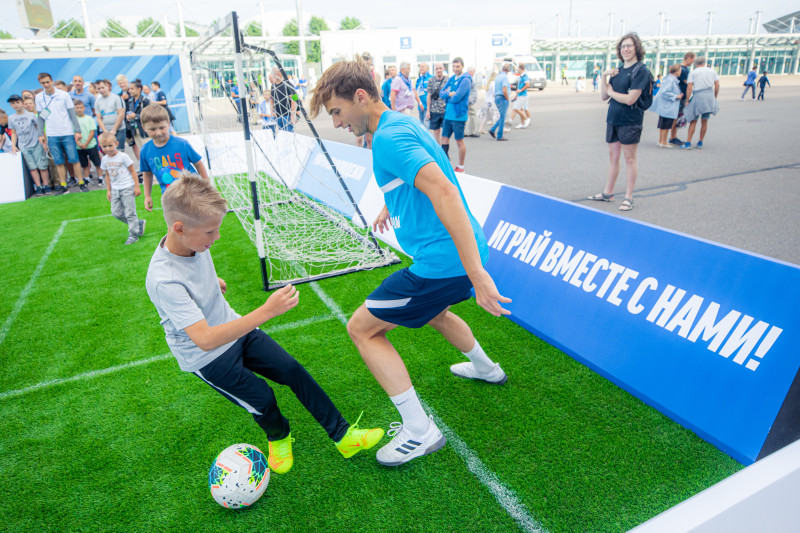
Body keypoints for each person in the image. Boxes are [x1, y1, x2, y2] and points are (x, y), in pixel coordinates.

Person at [309, 59, 511, 467]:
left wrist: (477, 274)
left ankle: (420, 431)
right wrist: (390, 201)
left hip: (444, 262)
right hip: (451, 258)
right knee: (436, 313)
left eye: (336, 111)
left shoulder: (387, 139)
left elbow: (445, 192)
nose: (336, 122)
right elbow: (423, 175)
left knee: (362, 329)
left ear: (361, 97)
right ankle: (487, 369)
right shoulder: (400, 124)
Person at [145, 176, 384, 474]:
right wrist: (267, 311)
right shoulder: (164, 279)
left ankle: (343, 435)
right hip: (207, 357)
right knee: (262, 398)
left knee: (292, 371)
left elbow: (194, 272)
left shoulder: (194, 243)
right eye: (210, 231)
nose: (216, 237)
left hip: (236, 329)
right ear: (179, 228)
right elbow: (204, 339)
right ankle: (279, 436)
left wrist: (211, 283)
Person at [588, 32, 651, 213]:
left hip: (630, 120)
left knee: (629, 159)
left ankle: (629, 197)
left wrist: (612, 92)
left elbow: (631, 99)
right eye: (623, 46)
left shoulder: (641, 71)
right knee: (613, 157)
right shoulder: (618, 71)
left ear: (636, 48)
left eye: (629, 46)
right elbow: (603, 96)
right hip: (613, 118)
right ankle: (608, 192)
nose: (626, 49)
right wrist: (605, 76)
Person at [139, 105, 209, 212]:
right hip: (169, 197)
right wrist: (147, 196)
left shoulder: (182, 144)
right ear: (144, 128)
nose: (158, 132)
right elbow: (147, 174)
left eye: (162, 128)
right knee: (174, 226)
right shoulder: (145, 150)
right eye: (152, 129)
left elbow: (198, 164)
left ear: (168, 123)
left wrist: (207, 185)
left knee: (198, 223)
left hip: (192, 193)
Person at [34, 72, 88, 194]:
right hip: (52, 134)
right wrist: (40, 134)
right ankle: (63, 185)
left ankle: (81, 183)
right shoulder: (39, 98)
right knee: (58, 161)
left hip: (67, 132)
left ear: (52, 81)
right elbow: (41, 117)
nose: (46, 85)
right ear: (40, 84)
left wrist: (77, 130)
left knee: (74, 159)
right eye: (43, 83)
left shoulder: (63, 95)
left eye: (48, 82)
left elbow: (72, 114)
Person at [98, 131, 144, 245]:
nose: (108, 149)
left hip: (127, 187)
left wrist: (137, 186)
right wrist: (108, 190)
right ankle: (138, 224)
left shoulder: (123, 156)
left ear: (116, 143)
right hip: (115, 189)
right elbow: (107, 175)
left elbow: (133, 171)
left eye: (110, 145)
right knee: (116, 213)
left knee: (130, 212)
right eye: (104, 146)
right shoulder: (105, 159)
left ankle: (133, 235)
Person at [7, 94, 50, 195]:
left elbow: (39, 128)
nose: (16, 105)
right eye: (13, 103)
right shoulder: (11, 118)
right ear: (11, 105)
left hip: (36, 143)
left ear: (22, 103)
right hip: (23, 145)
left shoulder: (31, 115)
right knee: (32, 167)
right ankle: (38, 186)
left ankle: (46, 185)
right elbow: (13, 133)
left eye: (17, 102)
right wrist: (14, 145)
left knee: (42, 166)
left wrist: (44, 142)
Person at [439, 57, 471, 172]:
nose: (455, 69)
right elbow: (441, 93)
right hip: (448, 115)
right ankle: (445, 163)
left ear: (462, 66)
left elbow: (458, 97)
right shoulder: (452, 78)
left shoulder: (466, 80)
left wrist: (449, 97)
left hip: (459, 116)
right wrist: (449, 94)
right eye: (453, 66)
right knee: (444, 139)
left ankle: (461, 166)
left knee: (459, 140)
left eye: (457, 66)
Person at [682, 56, 720, 150]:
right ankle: (700, 142)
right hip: (709, 96)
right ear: (704, 63)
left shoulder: (693, 72)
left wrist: (687, 99)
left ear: (696, 63)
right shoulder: (712, 71)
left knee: (693, 120)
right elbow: (717, 84)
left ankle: (688, 142)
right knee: (705, 121)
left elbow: (689, 87)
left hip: (698, 96)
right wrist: (715, 96)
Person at [648, 64, 683, 148]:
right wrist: (676, 96)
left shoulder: (669, 79)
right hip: (668, 106)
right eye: (680, 70)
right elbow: (665, 92)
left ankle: (661, 141)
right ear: (676, 71)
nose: (680, 72)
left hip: (666, 106)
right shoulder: (671, 80)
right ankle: (663, 142)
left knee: (663, 124)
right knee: (666, 124)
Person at [668, 52, 696, 146]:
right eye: (693, 59)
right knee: (675, 117)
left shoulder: (683, 69)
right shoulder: (684, 70)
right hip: (680, 97)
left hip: (679, 96)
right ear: (689, 58)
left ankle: (673, 136)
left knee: (676, 117)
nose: (693, 62)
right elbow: (689, 84)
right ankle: (672, 137)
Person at [95, 79, 126, 159]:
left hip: (119, 130)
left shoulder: (116, 98)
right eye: (99, 88)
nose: (101, 90)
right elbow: (99, 118)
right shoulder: (98, 101)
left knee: (119, 153)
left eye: (102, 87)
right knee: (108, 153)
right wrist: (105, 131)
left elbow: (121, 114)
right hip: (106, 131)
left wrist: (114, 129)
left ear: (107, 87)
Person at [74, 100, 102, 185]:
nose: (79, 109)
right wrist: (79, 143)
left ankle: (100, 177)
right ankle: (86, 179)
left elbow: (92, 132)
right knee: (84, 164)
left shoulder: (89, 118)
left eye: (81, 107)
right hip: (80, 147)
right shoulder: (74, 120)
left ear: (84, 108)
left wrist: (86, 144)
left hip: (91, 145)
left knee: (97, 162)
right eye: (77, 108)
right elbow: (74, 133)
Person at [124, 80, 150, 162]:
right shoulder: (130, 101)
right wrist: (128, 117)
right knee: (142, 151)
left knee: (148, 151)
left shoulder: (145, 101)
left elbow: (148, 116)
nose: (129, 91)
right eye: (129, 89)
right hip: (135, 130)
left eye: (132, 89)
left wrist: (135, 116)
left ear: (139, 89)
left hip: (144, 130)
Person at [426, 63, 448, 144]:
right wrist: (428, 110)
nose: (438, 70)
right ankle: (438, 149)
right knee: (436, 132)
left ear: (443, 69)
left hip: (445, 110)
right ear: (435, 70)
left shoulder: (447, 80)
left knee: (445, 133)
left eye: (440, 68)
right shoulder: (431, 80)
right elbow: (429, 96)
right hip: (434, 111)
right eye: (437, 68)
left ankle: (444, 150)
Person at [489, 63, 511, 141]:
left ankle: (492, 129)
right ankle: (499, 135)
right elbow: (504, 89)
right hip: (502, 97)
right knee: (503, 117)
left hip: (497, 97)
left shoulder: (498, 77)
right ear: (508, 70)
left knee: (502, 117)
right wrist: (507, 98)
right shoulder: (505, 77)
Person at [271, 68, 297, 132]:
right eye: (275, 71)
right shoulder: (273, 86)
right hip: (278, 116)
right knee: (282, 136)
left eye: (278, 71)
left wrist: (293, 114)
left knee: (289, 135)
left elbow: (295, 99)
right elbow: (272, 99)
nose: (276, 73)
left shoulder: (288, 84)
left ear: (282, 72)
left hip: (287, 116)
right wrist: (272, 111)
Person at [511, 64, 531, 129]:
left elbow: (528, 85)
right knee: (521, 109)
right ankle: (522, 123)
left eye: (518, 68)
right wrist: (516, 94)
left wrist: (520, 90)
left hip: (523, 95)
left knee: (516, 108)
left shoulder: (525, 76)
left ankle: (526, 119)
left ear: (520, 68)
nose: (517, 70)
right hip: (520, 95)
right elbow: (519, 87)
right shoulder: (521, 76)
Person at [464, 66, 480, 137]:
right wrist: (470, 99)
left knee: (466, 115)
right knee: (472, 115)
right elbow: (467, 90)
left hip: (468, 100)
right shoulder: (468, 78)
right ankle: (472, 131)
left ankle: (463, 131)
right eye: (473, 72)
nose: (474, 73)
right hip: (469, 101)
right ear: (471, 71)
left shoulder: (466, 77)